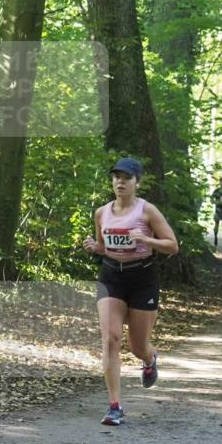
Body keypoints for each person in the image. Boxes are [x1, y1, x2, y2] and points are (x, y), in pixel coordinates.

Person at [83, 157, 179, 426]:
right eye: (116, 177)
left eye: (126, 178)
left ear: (137, 182)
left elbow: (172, 246)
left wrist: (146, 239)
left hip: (142, 278)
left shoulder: (148, 211)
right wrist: (95, 247)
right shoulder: (102, 213)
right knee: (110, 339)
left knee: (138, 346)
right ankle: (115, 406)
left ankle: (150, 358)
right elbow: (105, 247)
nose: (120, 182)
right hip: (111, 276)